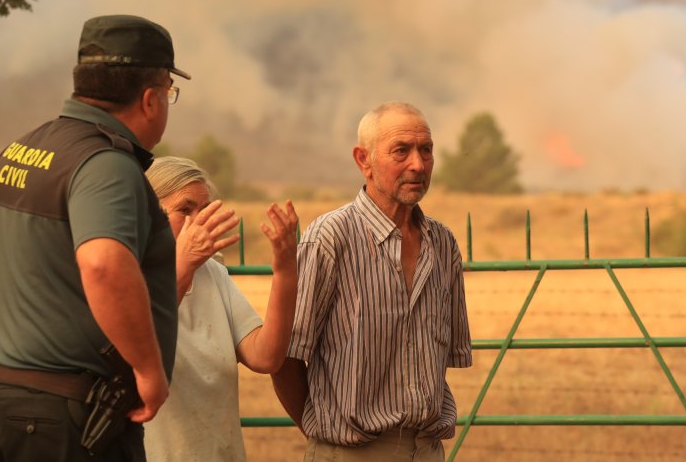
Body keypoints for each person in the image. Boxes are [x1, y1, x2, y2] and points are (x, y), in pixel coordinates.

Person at [0, 15, 187, 461]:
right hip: (67, 419)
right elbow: (103, 264)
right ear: (150, 99)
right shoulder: (107, 165)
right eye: (169, 92)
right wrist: (148, 369)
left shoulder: (25, 148)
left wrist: (35, 325)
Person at [271, 101, 473, 461]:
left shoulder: (443, 244)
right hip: (352, 452)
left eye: (426, 150)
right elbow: (285, 357)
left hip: (427, 451)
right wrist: (330, 439)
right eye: (401, 151)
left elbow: (441, 358)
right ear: (363, 160)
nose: (418, 164)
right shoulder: (332, 237)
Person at [142, 156, 299, 461]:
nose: (199, 220)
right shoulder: (129, 274)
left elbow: (265, 356)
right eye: (185, 210)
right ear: (147, 213)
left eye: (205, 210)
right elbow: (139, 338)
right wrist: (183, 263)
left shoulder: (212, 273)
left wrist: (285, 272)